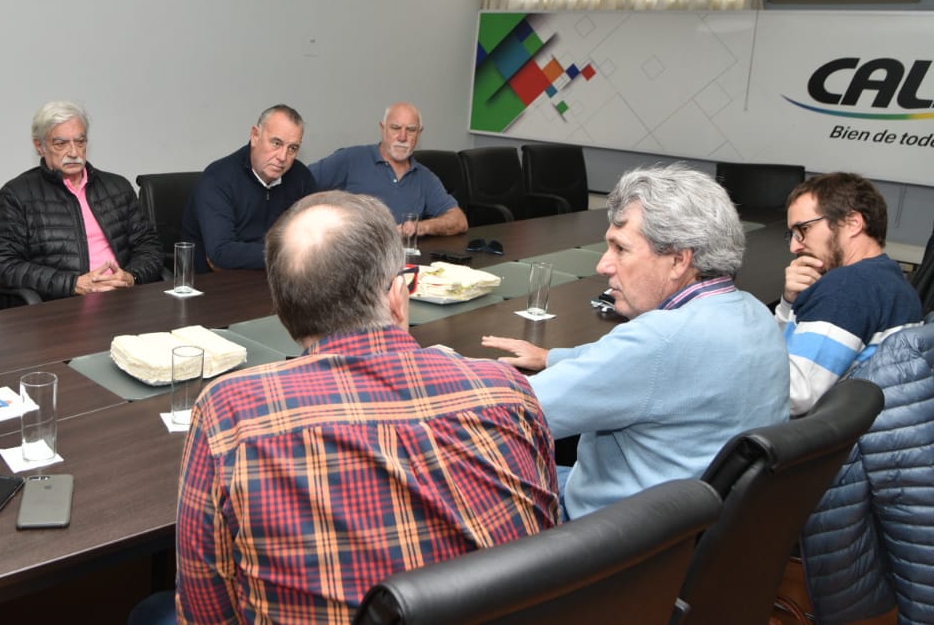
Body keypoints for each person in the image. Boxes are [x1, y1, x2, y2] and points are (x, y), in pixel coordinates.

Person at [171, 191, 558, 622]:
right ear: (398, 293)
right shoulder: (509, 391)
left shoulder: (230, 414)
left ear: (280, 309)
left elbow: (206, 612)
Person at [483, 163, 788, 520]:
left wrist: (435, 371)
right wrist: (552, 357)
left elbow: (509, 414)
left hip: (601, 534)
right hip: (683, 531)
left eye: (620, 249)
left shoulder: (659, 340)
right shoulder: (756, 315)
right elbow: (626, 363)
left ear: (678, 260)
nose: (603, 265)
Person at [0, 100, 162, 300]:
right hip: (62, 307)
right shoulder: (17, 195)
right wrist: (73, 284)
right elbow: (1, 265)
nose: (74, 153)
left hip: (122, 300)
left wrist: (131, 277)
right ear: (39, 145)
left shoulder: (117, 187)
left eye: (80, 142)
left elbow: (148, 245)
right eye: (61, 144)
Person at [779, 171, 922, 415]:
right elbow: (788, 356)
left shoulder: (847, 287)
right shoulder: (890, 279)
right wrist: (789, 304)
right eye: (792, 234)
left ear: (853, 223)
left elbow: (795, 394)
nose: (795, 246)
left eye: (803, 229)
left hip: (834, 446)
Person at [180, 104, 317, 271]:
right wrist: (292, 254)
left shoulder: (301, 177)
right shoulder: (217, 179)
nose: (283, 157)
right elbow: (222, 252)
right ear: (255, 135)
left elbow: (318, 238)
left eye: (292, 148)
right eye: (276, 143)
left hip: (277, 279)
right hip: (214, 286)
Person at [309, 101, 468, 237]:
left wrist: (421, 227)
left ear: (419, 133)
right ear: (382, 128)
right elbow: (300, 182)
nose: (403, 137)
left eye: (411, 130)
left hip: (403, 260)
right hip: (354, 258)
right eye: (396, 128)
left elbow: (459, 221)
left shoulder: (424, 177)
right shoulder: (351, 158)